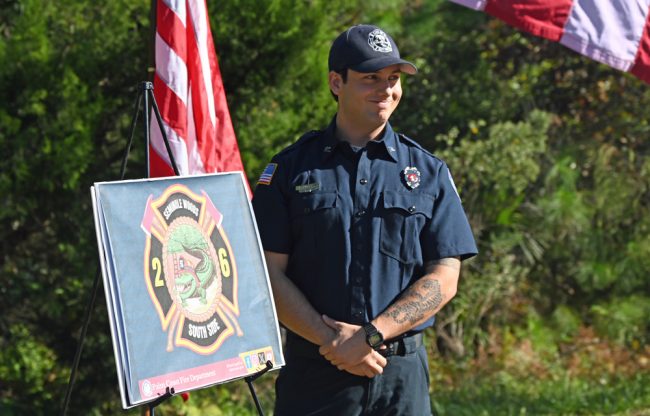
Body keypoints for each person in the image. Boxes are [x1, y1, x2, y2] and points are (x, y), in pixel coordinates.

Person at [252, 24, 478, 415]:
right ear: (336, 82)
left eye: (393, 79)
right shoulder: (289, 169)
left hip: (400, 377)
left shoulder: (428, 171)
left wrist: (372, 336)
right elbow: (266, 274)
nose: (386, 89)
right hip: (316, 374)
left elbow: (445, 277)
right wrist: (334, 342)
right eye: (370, 78)